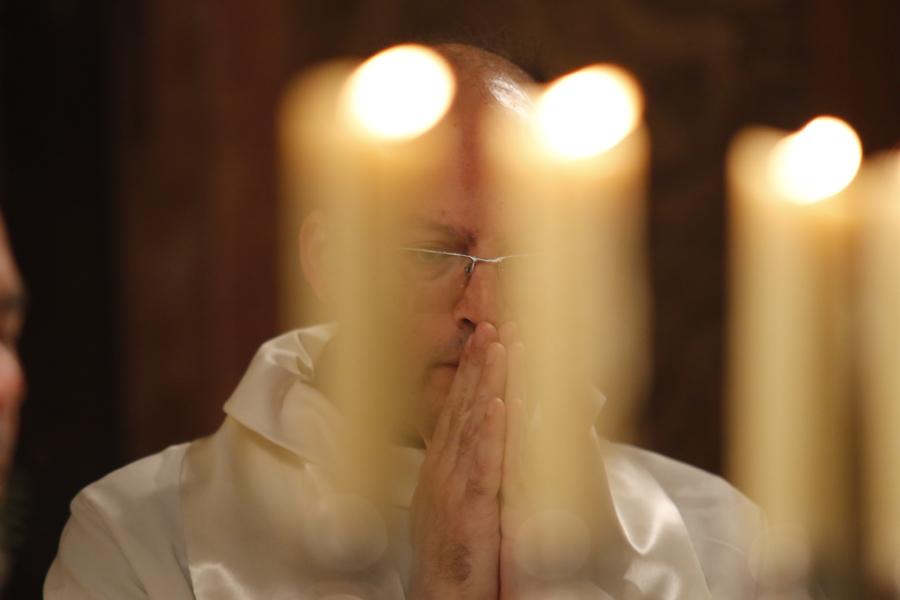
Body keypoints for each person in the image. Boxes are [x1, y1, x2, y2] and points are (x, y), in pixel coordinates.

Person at [45, 44, 760, 599]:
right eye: (433, 254)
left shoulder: (714, 535)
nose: (487, 313)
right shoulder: (141, 537)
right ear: (329, 264)